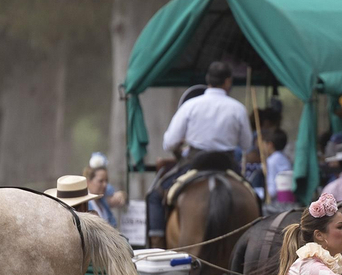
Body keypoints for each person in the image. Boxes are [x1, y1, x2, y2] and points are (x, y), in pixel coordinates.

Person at [147, 61, 255, 246]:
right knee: (254, 197)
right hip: (227, 164)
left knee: (155, 196)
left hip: (194, 164)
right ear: (228, 81)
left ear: (208, 80)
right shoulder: (237, 108)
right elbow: (247, 145)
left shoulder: (190, 106)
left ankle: (157, 245)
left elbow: (169, 143)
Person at [83, 157, 125, 224]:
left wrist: (122, 195)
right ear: (88, 182)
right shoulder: (84, 206)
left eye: (106, 181)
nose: (105, 185)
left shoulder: (103, 200)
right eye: (100, 181)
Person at [259, 128, 294, 205]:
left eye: (263, 144)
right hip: (289, 198)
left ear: (270, 145)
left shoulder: (271, 161)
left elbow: (272, 188)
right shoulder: (285, 158)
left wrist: (264, 197)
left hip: (277, 202)